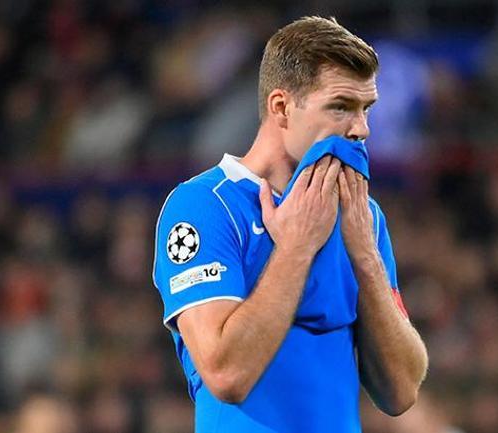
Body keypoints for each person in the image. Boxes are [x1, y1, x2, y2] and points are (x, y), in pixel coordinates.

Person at [152, 16, 428, 432]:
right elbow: (227, 375)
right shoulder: (204, 206)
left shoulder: (363, 216)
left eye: (366, 108)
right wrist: (297, 247)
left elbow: (401, 392)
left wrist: (366, 257)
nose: (361, 129)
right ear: (281, 107)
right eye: (341, 106)